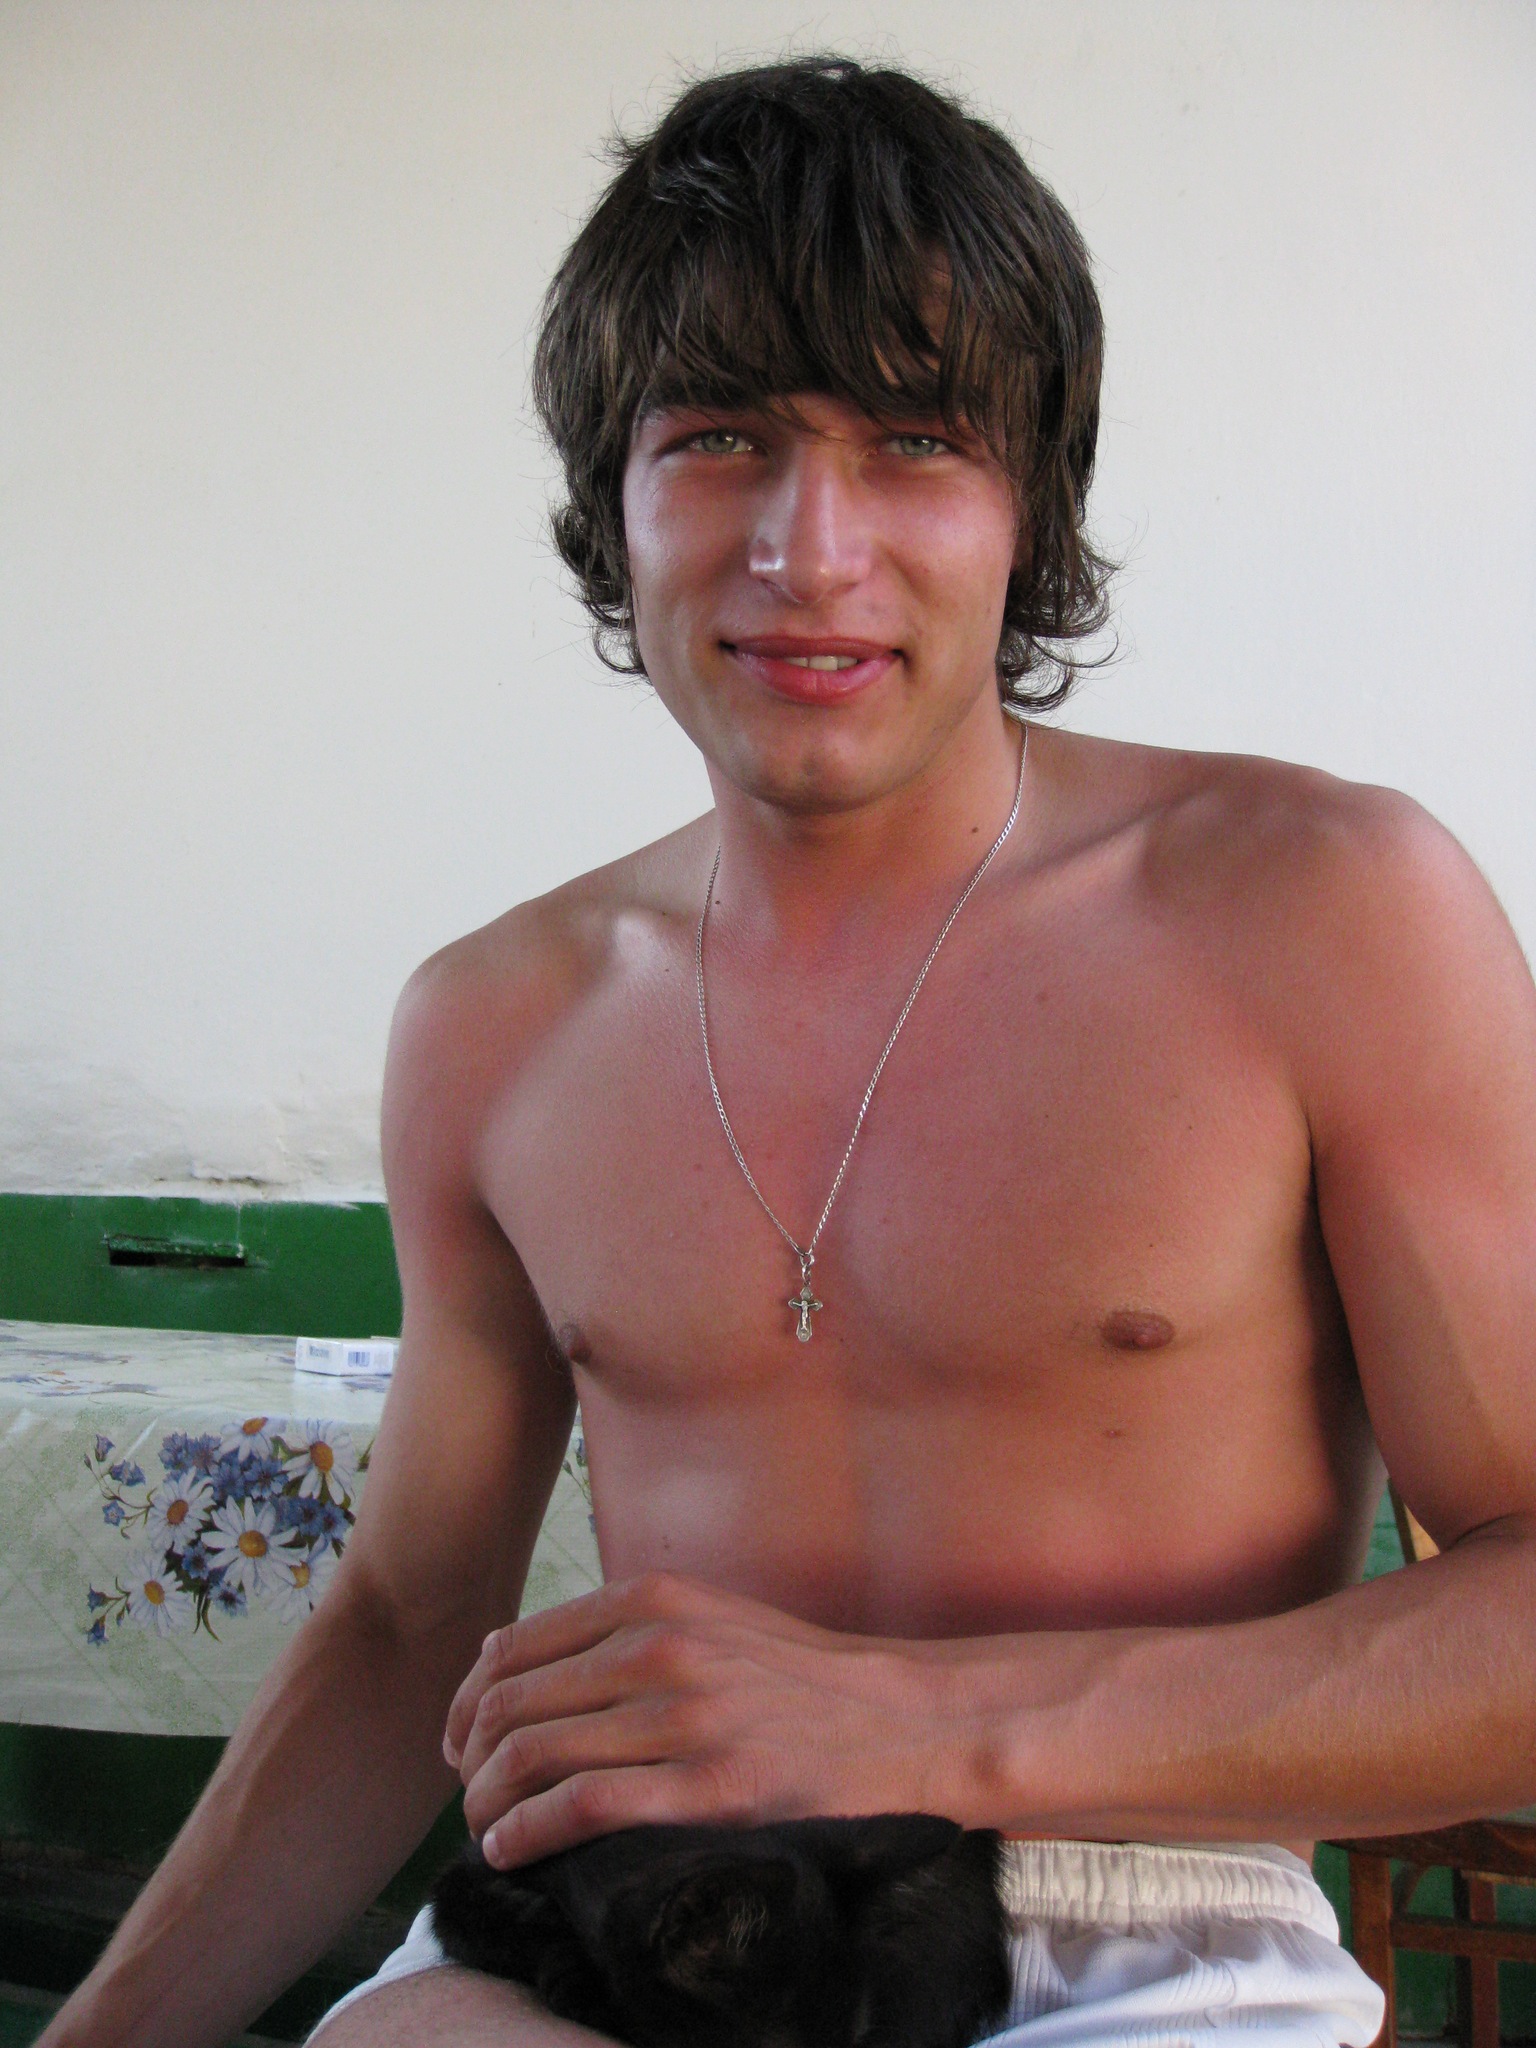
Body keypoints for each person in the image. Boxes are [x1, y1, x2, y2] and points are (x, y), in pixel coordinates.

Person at [42, 55, 1536, 2048]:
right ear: (614, 504)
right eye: (721, 437)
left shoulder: (1325, 908)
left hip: (1132, 1931)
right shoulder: (494, 1025)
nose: (811, 550)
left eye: (915, 439)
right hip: (620, 1923)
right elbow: (405, 1626)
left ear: (1029, 504)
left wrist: (912, 1721)